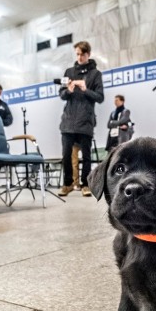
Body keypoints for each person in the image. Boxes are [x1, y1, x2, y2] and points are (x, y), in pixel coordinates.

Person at [58, 41, 104, 197]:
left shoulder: (96, 74)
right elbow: (62, 95)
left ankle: (86, 184)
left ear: (88, 54)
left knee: (86, 156)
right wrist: (69, 91)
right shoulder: (69, 71)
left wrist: (85, 89)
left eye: (82, 54)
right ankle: (68, 183)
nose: (79, 57)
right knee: (65, 155)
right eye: (77, 54)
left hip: (85, 122)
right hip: (68, 122)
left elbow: (100, 97)